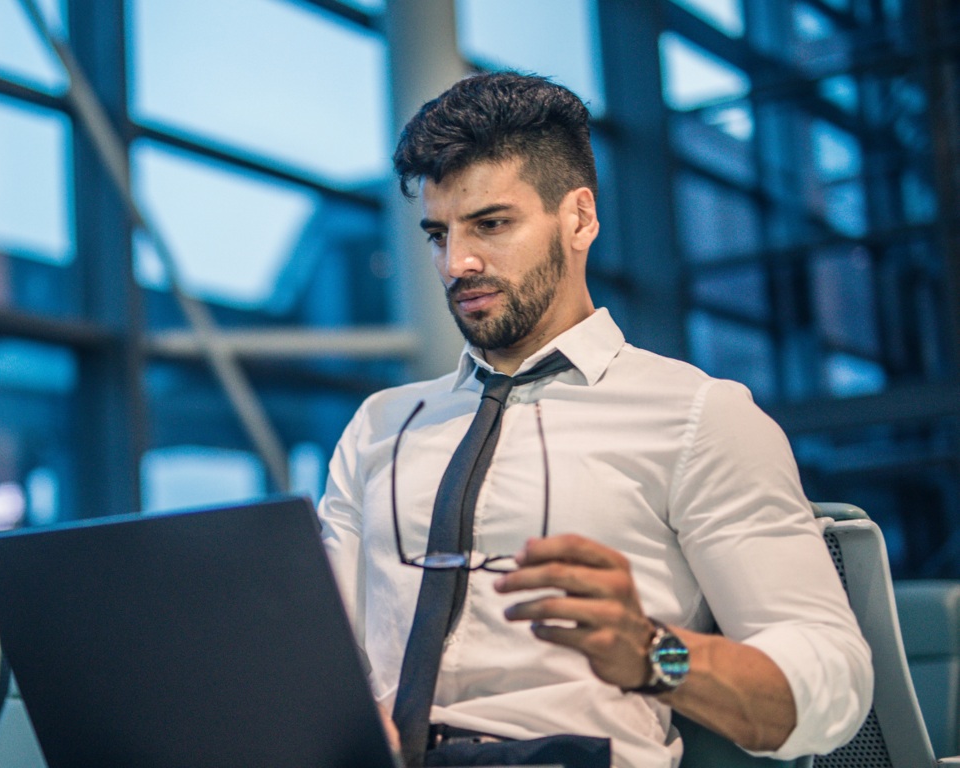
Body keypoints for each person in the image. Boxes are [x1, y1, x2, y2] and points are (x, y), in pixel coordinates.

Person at [317, 71, 872, 768]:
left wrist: (650, 651)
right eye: (438, 233)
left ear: (577, 218)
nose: (456, 263)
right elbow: (318, 650)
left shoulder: (696, 416)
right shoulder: (380, 426)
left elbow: (833, 686)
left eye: (490, 224)